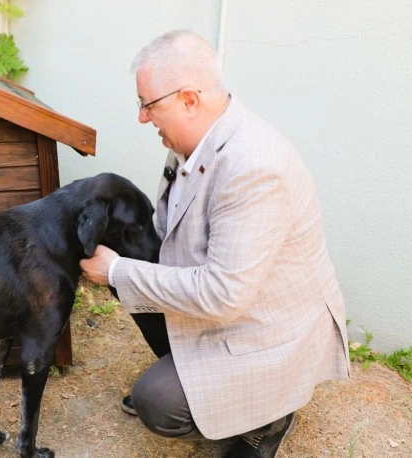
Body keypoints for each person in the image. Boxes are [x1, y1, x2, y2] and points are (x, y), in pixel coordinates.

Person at [79, 30, 351, 458]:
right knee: (133, 262)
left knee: (157, 402)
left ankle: (267, 419)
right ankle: (196, 374)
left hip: (265, 331)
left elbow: (224, 296)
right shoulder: (193, 140)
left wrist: (116, 272)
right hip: (229, 303)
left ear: (189, 99)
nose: (143, 118)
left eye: (148, 105)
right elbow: (169, 235)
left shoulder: (254, 168)